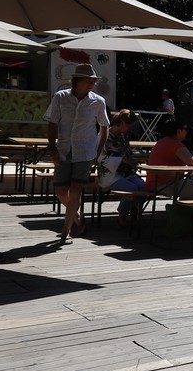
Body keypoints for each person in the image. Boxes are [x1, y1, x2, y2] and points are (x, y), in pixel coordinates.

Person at [43, 63, 110, 244]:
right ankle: (78, 218)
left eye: (93, 81)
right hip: (63, 149)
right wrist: (52, 148)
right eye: (88, 81)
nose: (91, 84)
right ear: (76, 81)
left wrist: (97, 152)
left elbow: (104, 127)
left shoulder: (98, 101)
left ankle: (66, 232)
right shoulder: (60, 97)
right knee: (60, 191)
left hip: (85, 151)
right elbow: (52, 123)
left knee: (75, 191)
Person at [143, 116, 193, 199]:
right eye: (185, 129)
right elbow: (192, 162)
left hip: (155, 183)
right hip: (165, 184)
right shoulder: (175, 144)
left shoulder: (162, 142)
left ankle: (180, 207)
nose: (187, 132)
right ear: (179, 131)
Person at [102, 110, 147, 222]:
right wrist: (124, 160)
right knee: (132, 189)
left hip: (127, 172)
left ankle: (135, 214)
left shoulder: (124, 136)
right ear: (122, 122)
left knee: (143, 187)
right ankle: (123, 214)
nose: (130, 129)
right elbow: (101, 158)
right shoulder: (104, 136)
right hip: (110, 174)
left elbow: (127, 153)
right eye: (129, 126)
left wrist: (133, 160)